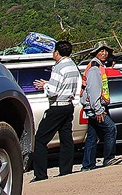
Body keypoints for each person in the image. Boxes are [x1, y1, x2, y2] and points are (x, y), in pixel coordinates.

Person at [30, 39, 81, 182]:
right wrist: (48, 83)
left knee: (40, 139)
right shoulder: (72, 65)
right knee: (66, 138)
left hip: (57, 106)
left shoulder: (58, 67)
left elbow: (52, 92)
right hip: (69, 104)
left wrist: (44, 86)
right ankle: (66, 170)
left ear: (57, 52)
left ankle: (40, 174)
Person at [80, 41, 122, 170]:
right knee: (111, 128)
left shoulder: (98, 66)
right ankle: (108, 158)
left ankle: (87, 164)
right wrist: (98, 110)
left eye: (106, 51)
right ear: (96, 53)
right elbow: (93, 91)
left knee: (92, 136)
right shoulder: (94, 69)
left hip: (93, 107)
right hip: (95, 107)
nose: (104, 53)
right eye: (101, 51)